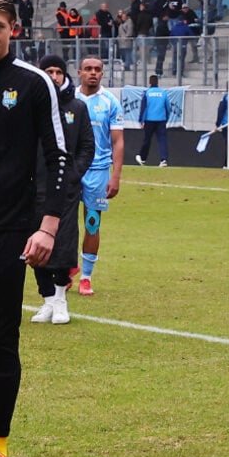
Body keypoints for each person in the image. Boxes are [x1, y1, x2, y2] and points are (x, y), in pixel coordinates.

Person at [0, 0, 70, 457]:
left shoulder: (34, 83)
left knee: (2, 342)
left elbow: (59, 157)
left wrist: (47, 226)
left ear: (13, 28)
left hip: (8, 232)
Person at [30, 55, 95, 326]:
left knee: (63, 242)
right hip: (33, 188)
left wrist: (72, 174)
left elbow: (87, 147)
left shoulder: (76, 107)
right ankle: (46, 300)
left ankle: (60, 299)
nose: (54, 76)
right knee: (34, 245)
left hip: (65, 190)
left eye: (58, 71)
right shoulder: (31, 106)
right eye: (49, 71)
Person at [74, 58, 124, 296]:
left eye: (97, 70)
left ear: (102, 74)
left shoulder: (110, 102)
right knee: (62, 222)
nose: (93, 73)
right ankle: (66, 268)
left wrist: (115, 176)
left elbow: (118, 141)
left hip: (98, 171)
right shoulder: (70, 99)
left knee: (92, 223)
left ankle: (86, 276)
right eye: (88, 69)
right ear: (79, 72)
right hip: (71, 170)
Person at [136, 75, 171, 167]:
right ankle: (164, 159)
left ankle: (143, 158)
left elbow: (143, 108)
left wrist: (141, 121)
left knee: (147, 140)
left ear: (149, 82)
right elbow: (168, 107)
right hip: (161, 120)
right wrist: (166, 118)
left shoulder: (147, 93)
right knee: (162, 140)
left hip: (149, 120)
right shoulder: (163, 93)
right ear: (157, 82)